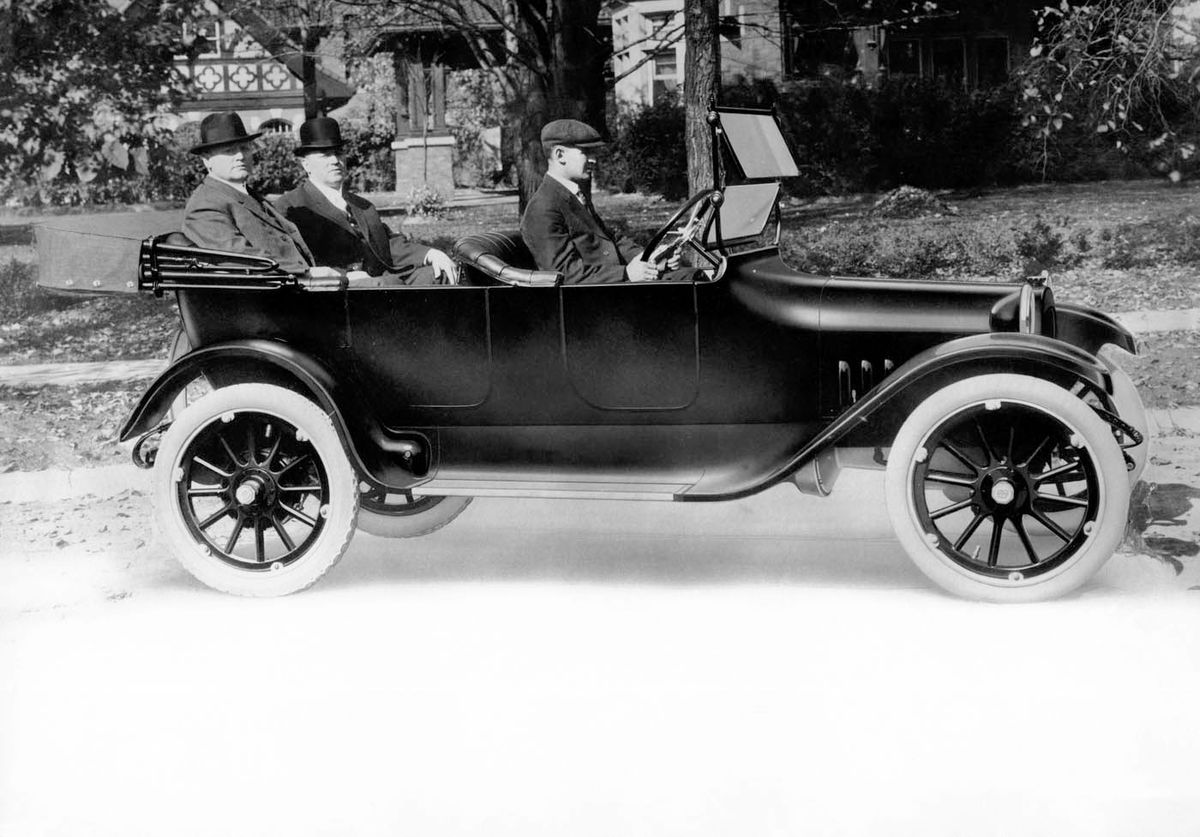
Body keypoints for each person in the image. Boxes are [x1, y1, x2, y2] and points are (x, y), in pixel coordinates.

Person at [275, 117, 457, 286]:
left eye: (339, 153)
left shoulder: (362, 205)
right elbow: (294, 263)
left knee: (441, 275)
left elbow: (387, 244)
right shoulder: (291, 206)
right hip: (339, 291)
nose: (335, 161)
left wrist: (430, 254)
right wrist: (343, 275)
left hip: (383, 279)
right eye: (325, 155)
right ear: (306, 165)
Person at [520, 118, 683, 284]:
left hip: (609, 286)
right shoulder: (543, 207)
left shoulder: (571, 195)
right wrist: (626, 274)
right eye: (585, 152)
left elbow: (610, 241)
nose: (593, 160)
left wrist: (651, 259)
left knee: (693, 277)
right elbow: (565, 274)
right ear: (560, 155)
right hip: (596, 298)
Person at [182, 112, 339, 282]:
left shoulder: (244, 194)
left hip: (291, 286)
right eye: (229, 151)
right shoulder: (206, 205)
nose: (240, 157)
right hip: (265, 298)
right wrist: (306, 273)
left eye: (244, 148)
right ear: (207, 160)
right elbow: (238, 258)